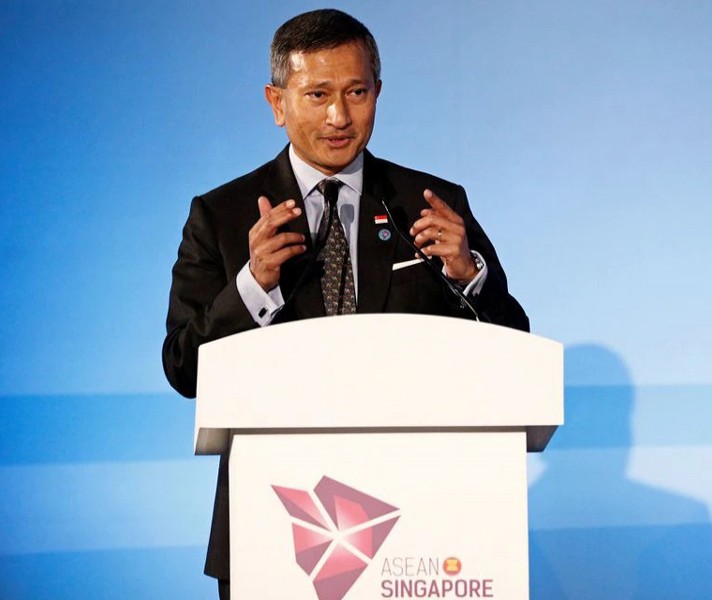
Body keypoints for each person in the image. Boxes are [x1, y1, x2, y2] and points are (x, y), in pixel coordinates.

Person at [162, 9, 528, 598]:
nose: (340, 116)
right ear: (277, 102)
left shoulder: (429, 203)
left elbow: (514, 346)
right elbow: (183, 367)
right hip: (273, 528)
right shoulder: (223, 216)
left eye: (357, 92)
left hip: (420, 528)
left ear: (378, 93)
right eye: (318, 95)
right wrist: (253, 284)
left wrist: (468, 274)